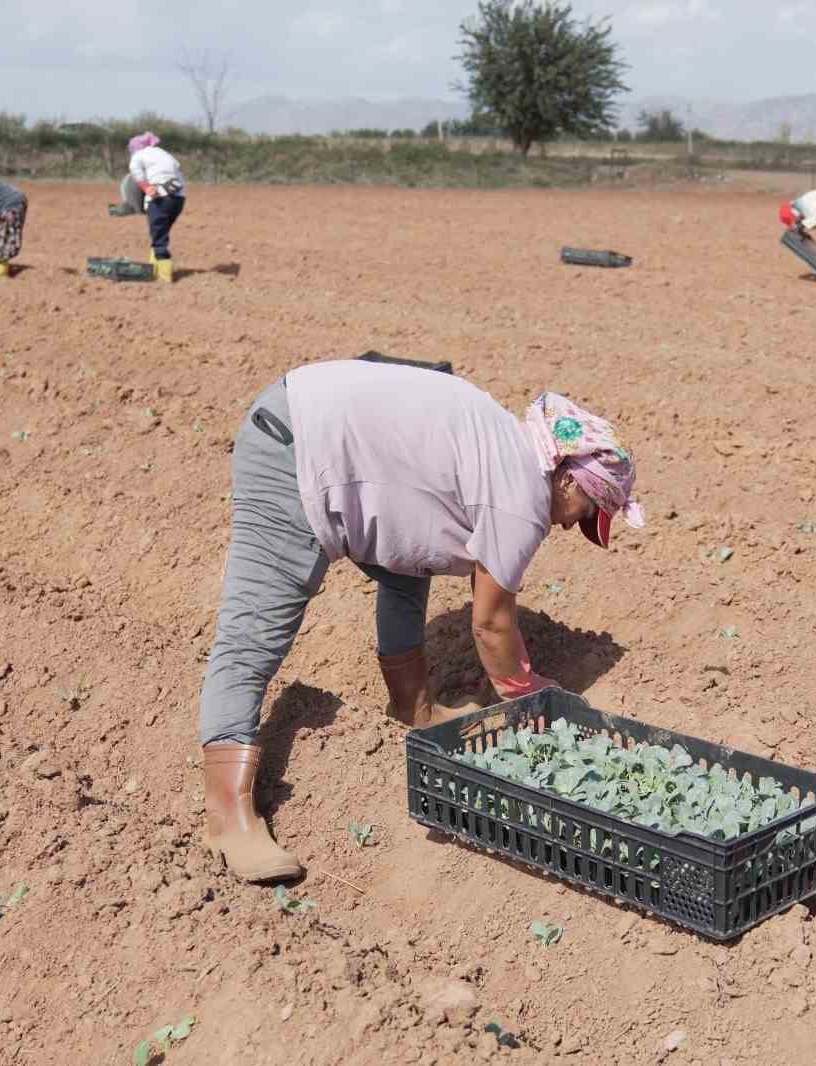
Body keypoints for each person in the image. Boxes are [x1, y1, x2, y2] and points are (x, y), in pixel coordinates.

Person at [198, 359, 645, 882]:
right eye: (588, 511)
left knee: (406, 567)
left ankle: (412, 708)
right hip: (298, 446)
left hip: (317, 424)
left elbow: (416, 548)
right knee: (254, 634)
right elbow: (492, 624)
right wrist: (530, 696)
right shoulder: (520, 494)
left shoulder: (505, 451)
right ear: (569, 480)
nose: (575, 525)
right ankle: (228, 819)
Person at [127, 132, 186, 283]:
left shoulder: (138, 156)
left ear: (135, 149)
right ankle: (154, 268)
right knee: (160, 232)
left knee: (159, 238)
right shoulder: (163, 153)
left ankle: (165, 276)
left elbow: (136, 173)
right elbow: (178, 172)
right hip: (179, 199)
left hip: (160, 198)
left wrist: (146, 188)